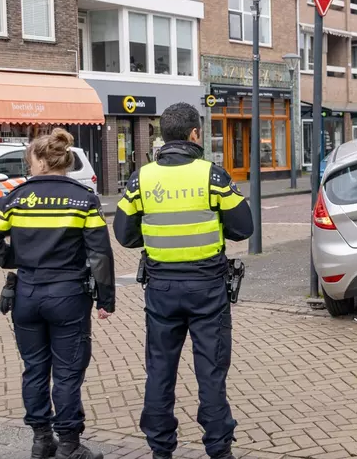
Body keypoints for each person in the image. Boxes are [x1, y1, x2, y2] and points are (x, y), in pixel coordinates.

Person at [113, 103, 253, 459]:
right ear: (194, 135)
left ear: (164, 136)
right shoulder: (213, 175)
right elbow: (243, 228)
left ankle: (161, 450)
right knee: (211, 372)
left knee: (159, 370)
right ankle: (219, 450)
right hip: (207, 290)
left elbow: (125, 235)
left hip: (161, 290)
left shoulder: (141, 178)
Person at [0, 129, 115, 459]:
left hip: (26, 295)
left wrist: (15, 259)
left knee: (35, 368)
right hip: (69, 296)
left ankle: (42, 441)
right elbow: (99, 253)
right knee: (68, 372)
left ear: (41, 161)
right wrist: (106, 299)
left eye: (29, 161)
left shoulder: (17, 197)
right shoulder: (83, 198)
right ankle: (69, 445)